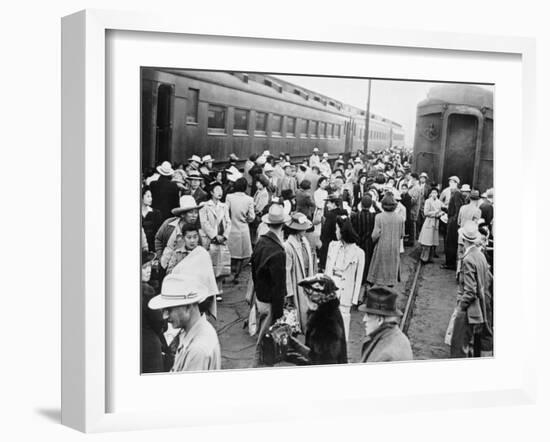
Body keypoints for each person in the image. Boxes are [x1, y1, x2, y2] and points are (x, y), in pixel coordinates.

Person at [148, 274, 221, 372]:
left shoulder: (197, 350)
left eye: (169, 309)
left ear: (188, 307)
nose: (165, 316)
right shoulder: (194, 331)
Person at [251, 203, 290, 367]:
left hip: (259, 297)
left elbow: (253, 269)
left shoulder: (260, 242)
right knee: (265, 343)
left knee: (263, 337)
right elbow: (278, 286)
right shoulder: (278, 251)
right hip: (269, 302)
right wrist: (279, 313)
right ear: (283, 225)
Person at [450, 221, 493, 358]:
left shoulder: (468, 259)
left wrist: (460, 308)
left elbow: (470, 291)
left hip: (468, 311)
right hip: (480, 307)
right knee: (472, 343)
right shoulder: (480, 255)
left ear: (463, 239)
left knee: (458, 346)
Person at [289, 274, 347, 365]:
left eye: (307, 295)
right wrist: (292, 343)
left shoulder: (326, 321)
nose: (305, 298)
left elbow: (324, 360)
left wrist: (297, 358)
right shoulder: (325, 312)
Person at [325, 215, 365, 341]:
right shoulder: (332, 246)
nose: (335, 231)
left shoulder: (359, 253)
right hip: (331, 291)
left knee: (343, 325)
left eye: (337, 229)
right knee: (329, 324)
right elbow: (327, 270)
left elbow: (358, 278)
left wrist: (354, 299)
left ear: (343, 231)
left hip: (346, 292)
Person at [359, 286, 413, 363]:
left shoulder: (385, 355)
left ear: (380, 320)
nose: (364, 319)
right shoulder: (394, 335)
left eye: (368, 315)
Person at [199, 181, 231, 301]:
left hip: (222, 239)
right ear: (211, 192)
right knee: (210, 264)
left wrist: (225, 235)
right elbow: (204, 223)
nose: (220, 192)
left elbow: (228, 222)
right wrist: (214, 235)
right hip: (210, 239)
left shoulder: (224, 206)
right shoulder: (205, 206)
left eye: (221, 190)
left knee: (221, 262)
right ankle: (209, 290)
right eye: (217, 190)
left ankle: (218, 290)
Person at [284, 212, 315, 334]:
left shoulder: (305, 241)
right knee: (297, 315)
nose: (305, 230)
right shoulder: (288, 246)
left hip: (307, 280)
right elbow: (286, 271)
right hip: (296, 281)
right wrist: (289, 293)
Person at [155, 195, 204, 272]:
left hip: (184, 270)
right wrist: (160, 256)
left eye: (196, 212)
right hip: (165, 265)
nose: (194, 216)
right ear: (182, 214)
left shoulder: (195, 230)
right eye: (191, 212)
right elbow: (158, 239)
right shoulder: (169, 224)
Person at [367, 193, 404, 287]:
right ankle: (391, 282)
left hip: (382, 245)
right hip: (395, 246)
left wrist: (373, 241)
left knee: (379, 266)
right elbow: (401, 235)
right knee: (392, 265)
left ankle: (377, 282)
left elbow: (375, 235)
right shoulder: (400, 218)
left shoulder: (379, 217)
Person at [141, 250, 169, 373]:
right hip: (149, 345)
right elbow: (158, 323)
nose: (148, 270)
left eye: (149, 266)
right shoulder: (146, 291)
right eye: (144, 267)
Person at [225, 177, 255, 284]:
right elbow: (252, 217)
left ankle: (227, 274)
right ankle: (236, 275)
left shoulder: (229, 197)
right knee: (241, 256)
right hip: (243, 229)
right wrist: (246, 219)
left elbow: (225, 212)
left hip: (231, 228)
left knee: (230, 254)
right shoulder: (249, 199)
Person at [351, 195, 379, 286]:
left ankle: (358, 278)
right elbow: (380, 212)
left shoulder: (355, 216)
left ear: (361, 205)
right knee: (368, 260)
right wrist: (374, 205)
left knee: (358, 260)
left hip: (358, 241)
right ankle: (366, 278)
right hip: (369, 242)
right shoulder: (374, 216)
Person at [318, 194, 348, 271]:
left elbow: (325, 234)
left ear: (334, 204)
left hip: (330, 246)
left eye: (328, 203)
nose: (327, 205)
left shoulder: (330, 215)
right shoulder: (344, 213)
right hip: (342, 245)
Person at [442, 185, 465, 270]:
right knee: (451, 243)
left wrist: (453, 220)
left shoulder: (456, 194)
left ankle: (450, 263)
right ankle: (450, 262)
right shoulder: (457, 194)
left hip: (452, 223)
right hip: (452, 220)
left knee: (450, 243)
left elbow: (458, 209)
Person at [418, 187, 444, 263]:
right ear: (430, 194)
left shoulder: (439, 202)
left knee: (433, 241)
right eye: (433, 193)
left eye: (435, 193)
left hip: (436, 223)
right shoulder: (428, 201)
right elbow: (426, 213)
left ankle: (430, 257)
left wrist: (441, 213)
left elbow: (442, 210)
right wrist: (435, 213)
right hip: (429, 222)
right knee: (427, 241)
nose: (434, 194)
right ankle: (424, 258)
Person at [141, 186, 162, 253]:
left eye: (151, 196)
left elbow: (159, 234)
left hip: (153, 248)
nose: (151, 199)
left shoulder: (156, 213)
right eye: (148, 196)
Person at [407, 173, 422, 243]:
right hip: (411, 208)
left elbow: (414, 199)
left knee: (412, 224)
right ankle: (411, 239)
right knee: (411, 224)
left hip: (413, 208)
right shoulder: (413, 186)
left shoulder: (416, 187)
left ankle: (412, 240)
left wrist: (406, 201)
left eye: (411, 178)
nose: (410, 180)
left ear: (414, 179)